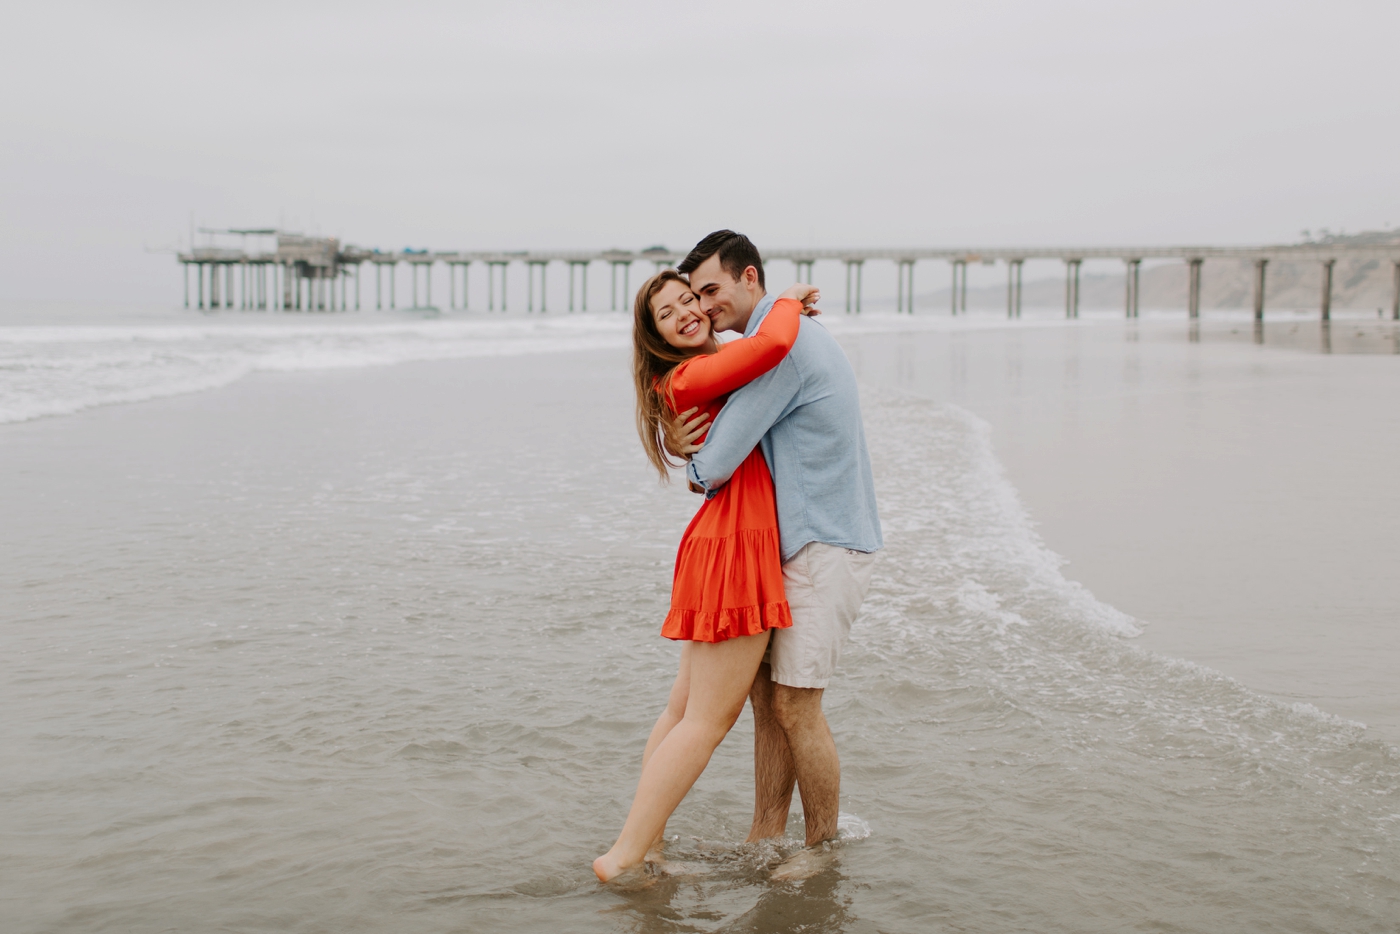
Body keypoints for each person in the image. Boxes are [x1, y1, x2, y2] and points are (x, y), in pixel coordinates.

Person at [592, 269, 822, 883]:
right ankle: (624, 855)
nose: (687, 313)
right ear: (656, 337)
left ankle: (650, 848)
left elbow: (753, 357)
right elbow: (772, 346)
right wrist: (788, 301)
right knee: (706, 722)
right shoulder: (690, 374)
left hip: (718, 541)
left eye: (689, 299)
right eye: (668, 314)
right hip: (736, 550)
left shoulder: (696, 371)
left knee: (679, 713)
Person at [672, 230, 882, 871]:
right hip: (799, 544)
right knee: (769, 701)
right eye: (696, 296)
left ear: (750, 279)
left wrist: (687, 455)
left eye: (711, 291)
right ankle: (764, 837)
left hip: (823, 545)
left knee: (796, 703)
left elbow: (716, 464)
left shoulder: (781, 352)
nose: (703, 308)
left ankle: (821, 847)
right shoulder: (781, 335)